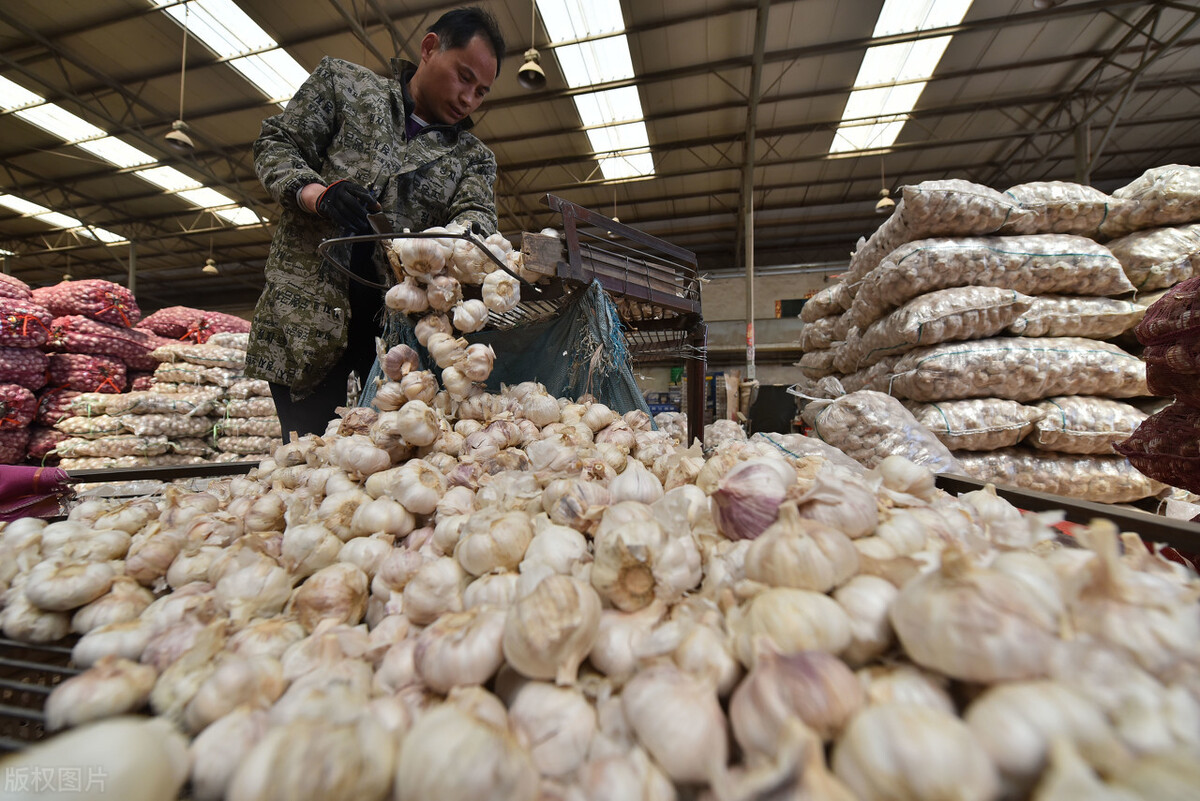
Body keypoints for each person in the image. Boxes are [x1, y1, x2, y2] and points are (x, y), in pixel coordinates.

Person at [247, 7, 505, 437]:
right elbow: (277, 144)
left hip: (400, 333)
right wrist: (319, 195)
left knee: (391, 451)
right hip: (306, 315)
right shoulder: (345, 86)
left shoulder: (472, 158)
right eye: (464, 77)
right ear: (429, 48)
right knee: (305, 449)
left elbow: (476, 219)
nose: (468, 99)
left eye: (481, 92)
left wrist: (445, 244)